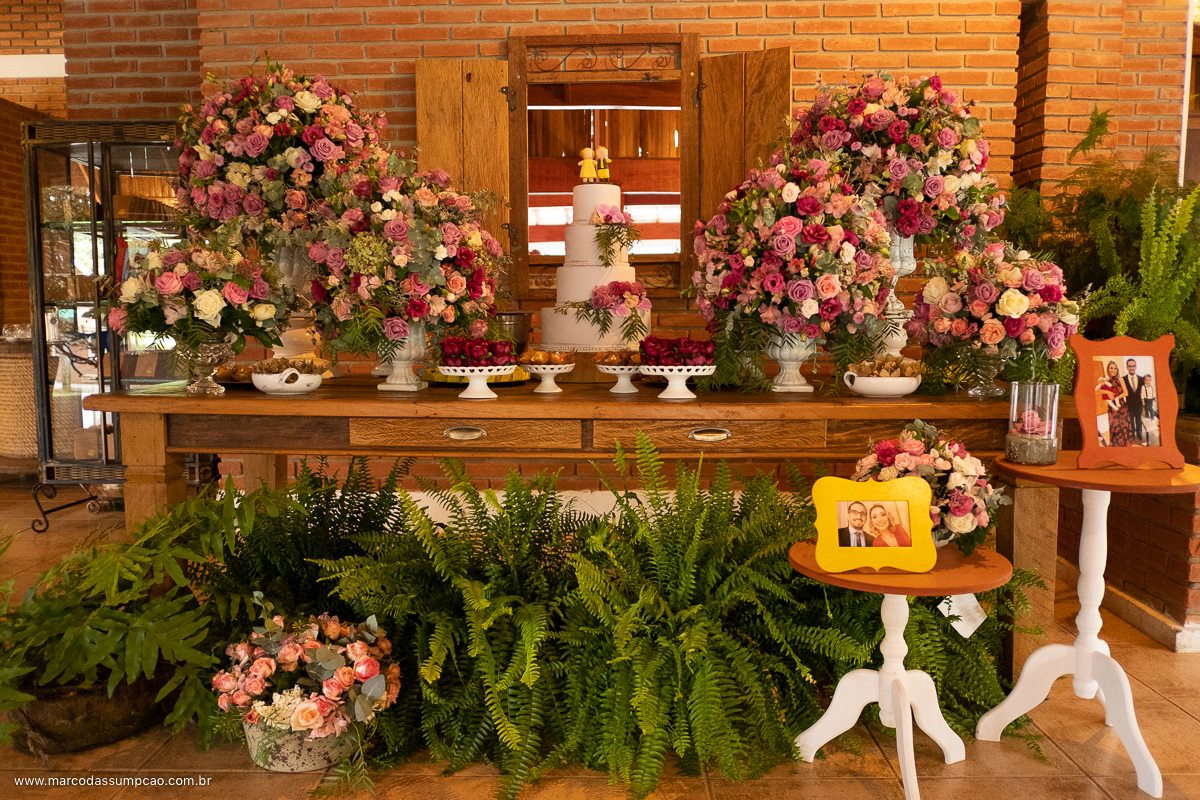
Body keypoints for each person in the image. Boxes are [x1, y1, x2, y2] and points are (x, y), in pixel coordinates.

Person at [1097, 360, 1133, 446]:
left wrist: (1116, 396)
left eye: (1115, 368)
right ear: (1108, 369)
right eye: (1111, 368)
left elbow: (1126, 393)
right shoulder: (1106, 380)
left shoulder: (1120, 379)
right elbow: (1097, 390)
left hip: (1121, 406)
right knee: (1114, 425)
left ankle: (1125, 443)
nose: (1113, 370)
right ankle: (1116, 444)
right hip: (1112, 407)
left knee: (1123, 425)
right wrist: (1108, 392)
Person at [1122, 358, 1144, 444]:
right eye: (1130, 366)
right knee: (1131, 421)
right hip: (1129, 405)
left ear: (1136, 367)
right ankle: (1131, 435)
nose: (1132, 368)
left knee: (1139, 420)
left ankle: (1139, 433)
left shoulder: (1142, 379)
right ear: (1127, 367)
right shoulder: (1123, 379)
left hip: (1139, 405)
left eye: (1133, 366)